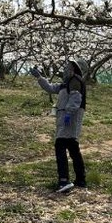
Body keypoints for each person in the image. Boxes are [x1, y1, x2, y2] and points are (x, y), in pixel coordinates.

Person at [29, 58, 88, 193]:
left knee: (60, 145)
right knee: (73, 147)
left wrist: (68, 114)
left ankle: (64, 180)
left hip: (70, 118)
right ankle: (81, 180)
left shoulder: (75, 81)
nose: (65, 69)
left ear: (75, 69)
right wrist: (39, 77)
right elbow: (50, 88)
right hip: (65, 117)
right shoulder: (65, 83)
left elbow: (75, 99)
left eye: (68, 67)